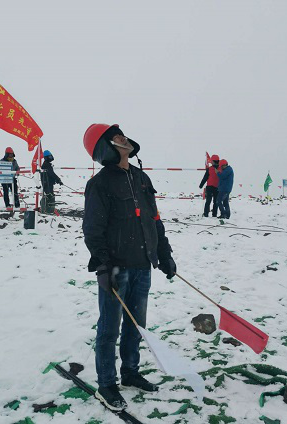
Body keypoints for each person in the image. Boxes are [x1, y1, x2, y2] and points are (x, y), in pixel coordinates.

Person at [82, 123, 177, 411]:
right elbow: (93, 229)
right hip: (116, 267)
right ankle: (107, 384)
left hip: (142, 266)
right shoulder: (100, 184)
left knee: (137, 326)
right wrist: (102, 266)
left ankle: (131, 373)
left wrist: (165, 253)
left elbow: (154, 220)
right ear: (105, 148)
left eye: (121, 133)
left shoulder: (141, 178)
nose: (123, 137)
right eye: (115, 136)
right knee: (109, 328)